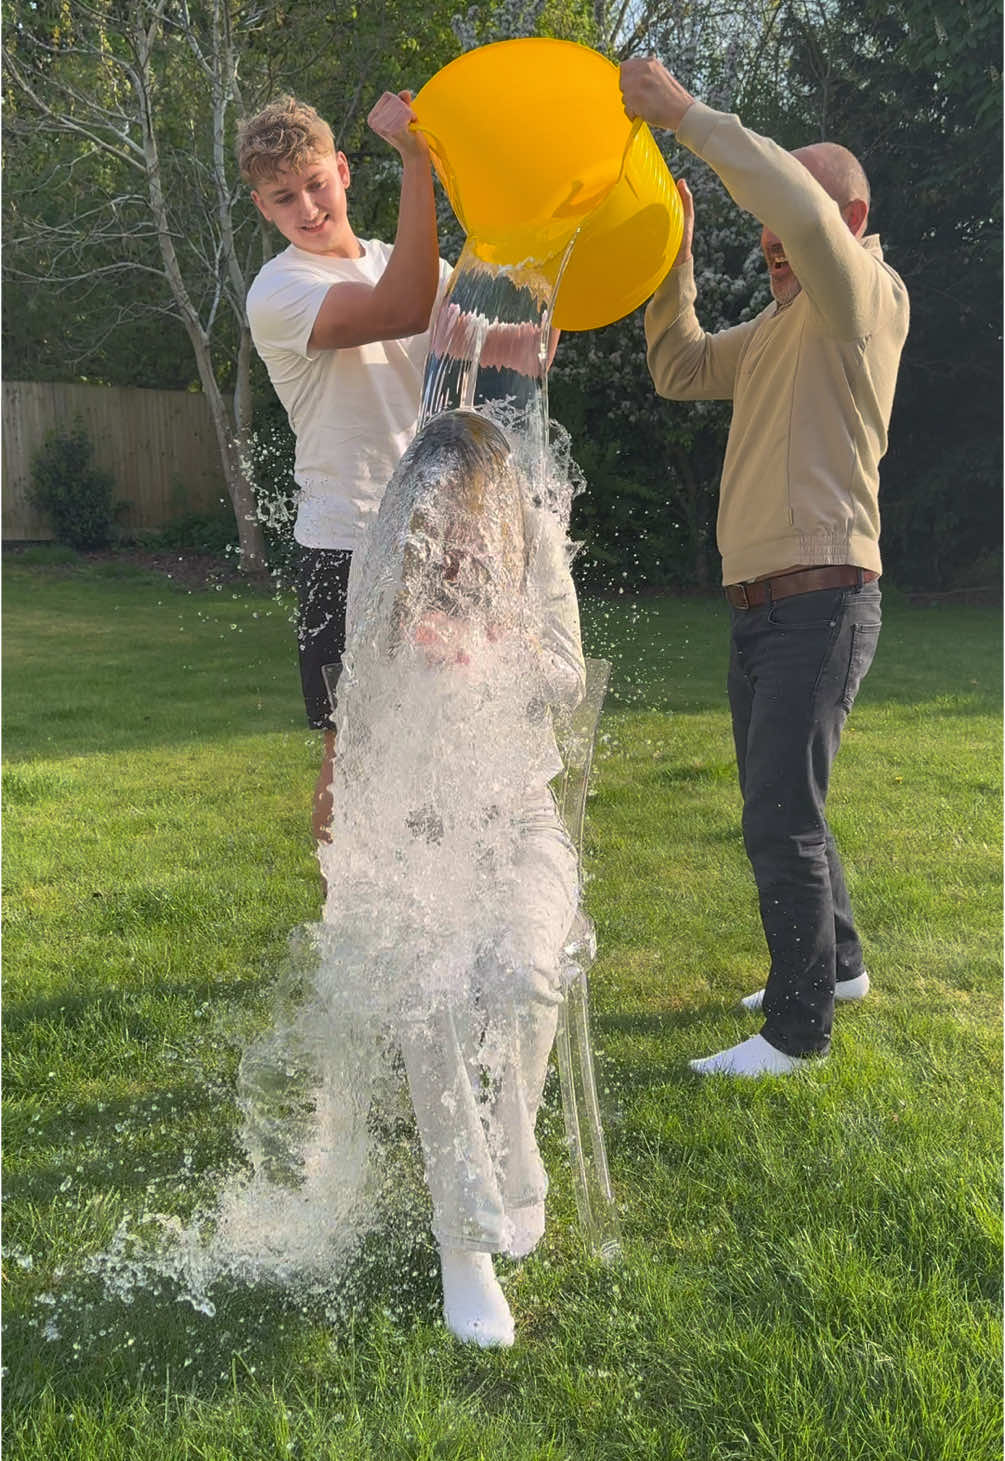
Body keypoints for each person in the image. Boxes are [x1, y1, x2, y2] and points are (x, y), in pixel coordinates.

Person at [619, 59, 910, 1077]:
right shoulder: (782, 329)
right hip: (766, 606)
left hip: (822, 596)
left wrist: (685, 117)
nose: (772, 243)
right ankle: (839, 969)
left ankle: (797, 1034)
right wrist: (673, 259)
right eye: (766, 238)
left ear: (851, 214)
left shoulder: (859, 297)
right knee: (787, 800)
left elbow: (791, 199)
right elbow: (680, 366)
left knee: (779, 816)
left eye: (795, 222)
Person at [320, 409, 586, 1346]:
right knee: (427, 987)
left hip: (519, 819)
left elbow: (566, 674)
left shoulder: (534, 544)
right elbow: (355, 698)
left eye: (474, 525)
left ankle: (513, 1163)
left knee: (519, 973)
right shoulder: (383, 558)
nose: (458, 549)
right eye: (443, 527)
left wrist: (494, 646)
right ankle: (463, 1245)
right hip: (416, 824)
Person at [238, 92, 453, 865]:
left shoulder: (412, 262)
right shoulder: (278, 291)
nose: (306, 207)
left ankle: (431, 909)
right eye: (283, 197)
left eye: (315, 184)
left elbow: (506, 347)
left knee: (445, 729)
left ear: (342, 170)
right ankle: (345, 938)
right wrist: (421, 160)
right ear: (263, 208)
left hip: (433, 542)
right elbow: (404, 308)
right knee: (351, 745)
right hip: (346, 544)